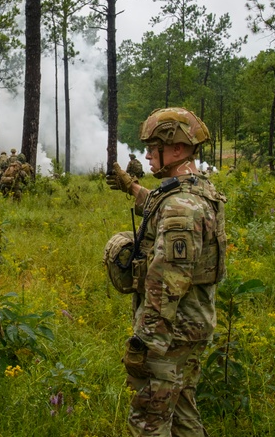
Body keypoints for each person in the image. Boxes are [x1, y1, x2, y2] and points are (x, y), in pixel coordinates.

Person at [106, 108, 226, 437]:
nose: (146, 153)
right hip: (192, 328)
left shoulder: (180, 209)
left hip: (169, 336)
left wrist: (144, 344)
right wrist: (132, 188)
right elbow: (165, 206)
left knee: (149, 421)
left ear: (176, 149)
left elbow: (165, 284)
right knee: (184, 413)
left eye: (153, 146)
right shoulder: (198, 190)